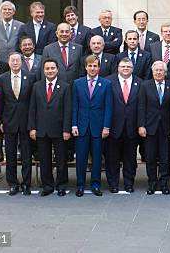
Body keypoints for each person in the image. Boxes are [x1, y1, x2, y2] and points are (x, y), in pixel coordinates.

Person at [27, 58, 72, 196]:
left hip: (59, 130)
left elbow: (67, 110)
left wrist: (66, 129)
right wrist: (32, 128)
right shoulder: (36, 86)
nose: (50, 71)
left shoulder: (65, 86)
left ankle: (61, 185)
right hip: (42, 129)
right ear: (43, 70)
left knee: (61, 160)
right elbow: (32, 109)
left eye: (53, 68)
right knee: (44, 160)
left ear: (57, 70)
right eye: (47, 68)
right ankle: (47, 185)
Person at [72, 55, 113, 197]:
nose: (92, 68)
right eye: (90, 66)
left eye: (95, 66)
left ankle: (96, 185)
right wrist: (74, 125)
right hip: (82, 127)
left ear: (99, 67)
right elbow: (75, 106)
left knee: (96, 158)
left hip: (98, 127)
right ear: (85, 67)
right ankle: (80, 185)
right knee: (81, 158)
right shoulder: (77, 83)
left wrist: (106, 127)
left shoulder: (106, 84)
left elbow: (108, 107)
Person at [0, 52, 34, 195]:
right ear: (9, 62)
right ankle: (12, 183)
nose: (16, 63)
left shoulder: (30, 77)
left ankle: (26, 183)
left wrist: (32, 123)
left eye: (18, 60)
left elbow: (33, 102)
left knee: (26, 155)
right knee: (10, 154)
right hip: (8, 121)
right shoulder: (2, 79)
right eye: (13, 60)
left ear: (22, 61)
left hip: (25, 122)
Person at [138, 61, 170, 195]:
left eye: (161, 70)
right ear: (152, 72)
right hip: (150, 127)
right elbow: (141, 107)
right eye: (156, 70)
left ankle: (164, 184)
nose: (158, 73)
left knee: (165, 158)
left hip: (165, 128)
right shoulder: (145, 86)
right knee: (151, 157)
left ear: (165, 72)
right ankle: (152, 183)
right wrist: (141, 125)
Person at [106, 57, 142, 193]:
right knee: (112, 158)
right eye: (123, 66)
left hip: (132, 127)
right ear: (118, 68)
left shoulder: (140, 82)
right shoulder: (109, 81)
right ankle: (113, 183)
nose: (125, 69)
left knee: (130, 158)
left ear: (132, 69)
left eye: (128, 67)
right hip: (114, 127)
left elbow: (141, 106)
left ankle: (129, 183)